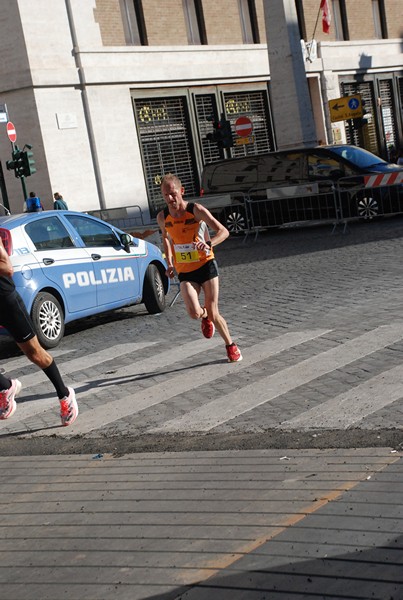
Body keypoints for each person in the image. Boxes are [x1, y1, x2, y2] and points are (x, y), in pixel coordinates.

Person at [157, 173, 242, 363]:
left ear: (181, 191)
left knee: (214, 310)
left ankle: (230, 345)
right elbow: (166, 238)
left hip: (206, 265)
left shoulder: (196, 210)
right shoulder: (163, 216)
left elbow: (224, 231)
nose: (170, 199)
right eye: (165, 195)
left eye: (173, 194)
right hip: (186, 270)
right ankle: (204, 317)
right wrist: (169, 263)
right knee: (194, 312)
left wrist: (209, 244)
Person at [0, 237, 78, 426]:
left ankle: (65, 394)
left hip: (6, 302)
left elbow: (7, 268)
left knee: (34, 354)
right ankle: (6, 387)